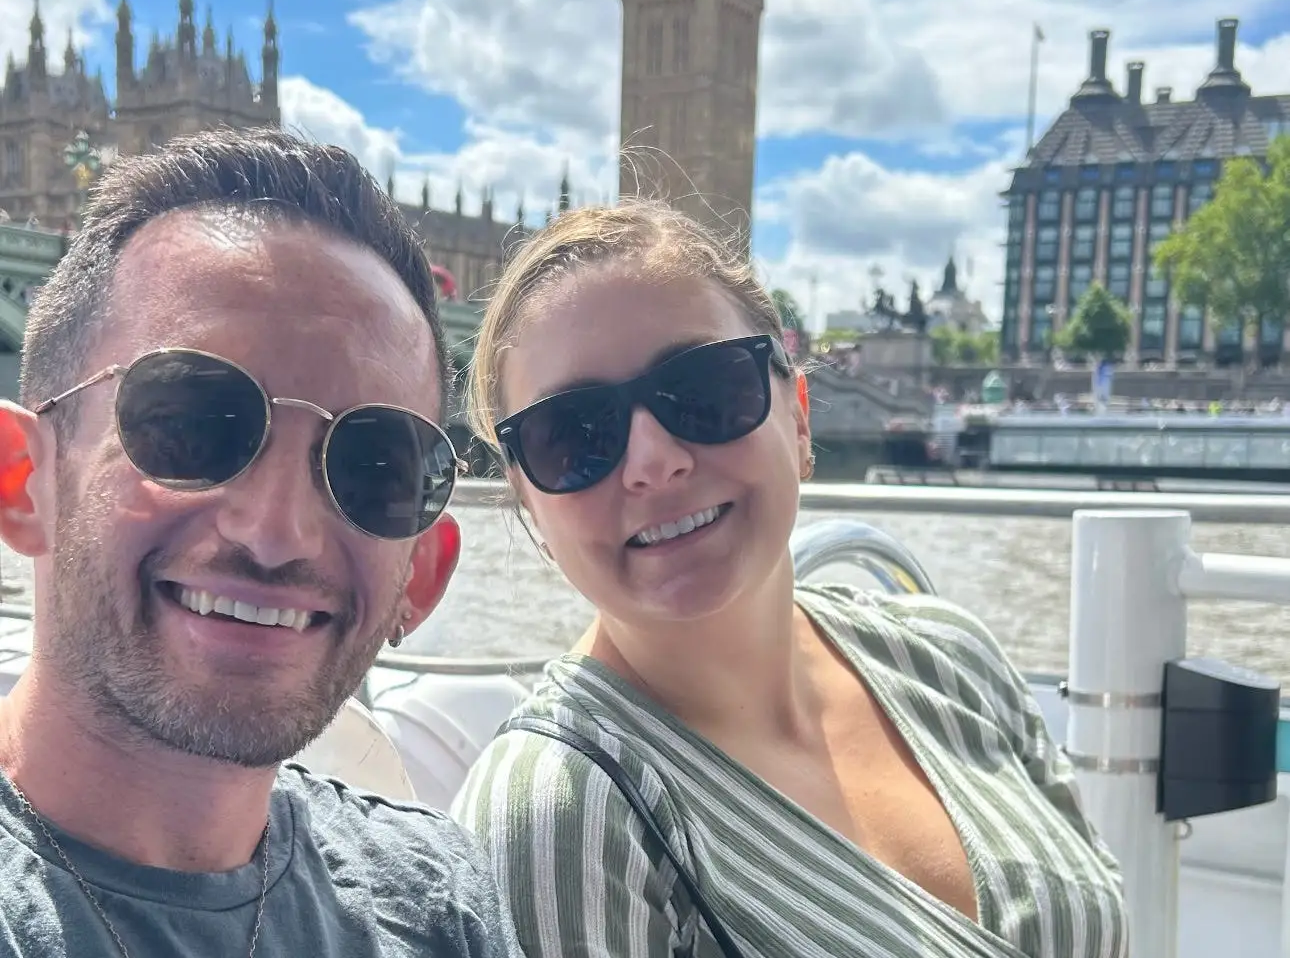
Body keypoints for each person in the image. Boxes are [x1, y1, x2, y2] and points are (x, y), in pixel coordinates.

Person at [451, 199, 1128, 958]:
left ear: (799, 419)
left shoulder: (950, 656)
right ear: (530, 507)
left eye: (703, 390)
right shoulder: (561, 818)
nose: (654, 461)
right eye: (573, 436)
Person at [0, 128, 524, 957]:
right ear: (23, 480)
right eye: (191, 426)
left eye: (374, 466)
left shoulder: (440, 901)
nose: (277, 533)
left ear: (421, 575)